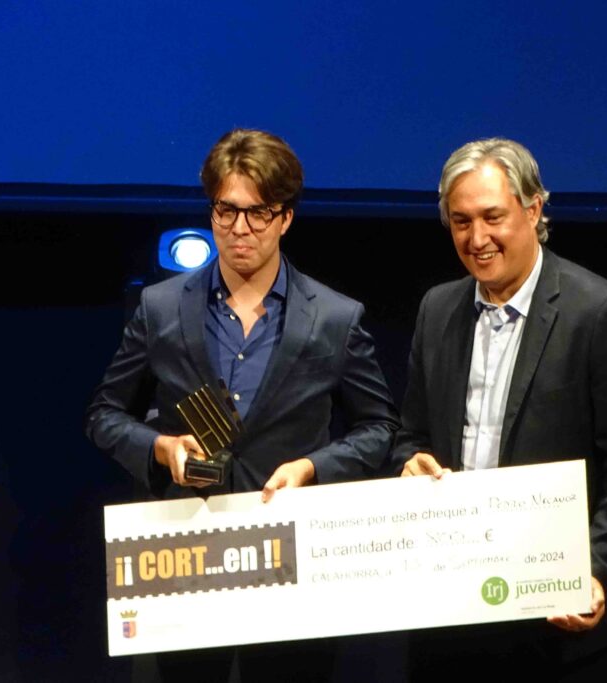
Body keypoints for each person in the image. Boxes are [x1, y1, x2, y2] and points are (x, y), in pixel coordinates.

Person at [85, 128, 400, 682]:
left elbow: (378, 427)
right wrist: (160, 447)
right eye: (226, 211)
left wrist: (312, 467)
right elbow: (104, 415)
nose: (239, 229)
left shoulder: (334, 317)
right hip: (187, 556)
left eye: (258, 213)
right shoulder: (161, 308)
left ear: (286, 218)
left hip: (293, 556)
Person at [394, 138, 607, 681]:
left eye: (492, 217)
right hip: (454, 610)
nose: (477, 239)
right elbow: (411, 432)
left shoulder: (601, 314)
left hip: (557, 617)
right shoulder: (437, 308)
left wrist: (594, 572)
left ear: (534, 209)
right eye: (461, 221)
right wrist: (410, 460)